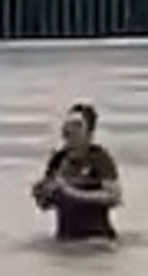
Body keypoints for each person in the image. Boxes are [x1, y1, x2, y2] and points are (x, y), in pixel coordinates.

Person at [31, 102, 121, 242]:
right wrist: (41, 194)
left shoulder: (98, 157)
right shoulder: (58, 159)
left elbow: (114, 197)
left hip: (97, 239)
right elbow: (45, 205)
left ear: (89, 134)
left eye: (77, 125)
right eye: (68, 124)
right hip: (65, 239)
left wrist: (71, 192)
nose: (70, 130)